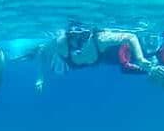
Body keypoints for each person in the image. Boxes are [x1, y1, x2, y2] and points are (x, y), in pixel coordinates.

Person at [22, 23, 154, 92]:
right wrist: (39, 78)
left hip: (98, 58)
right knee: (41, 50)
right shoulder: (62, 43)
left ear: (89, 34)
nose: (79, 41)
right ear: (69, 35)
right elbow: (43, 52)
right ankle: (29, 53)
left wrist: (140, 59)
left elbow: (130, 36)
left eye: (84, 35)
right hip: (68, 61)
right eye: (74, 36)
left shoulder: (98, 39)